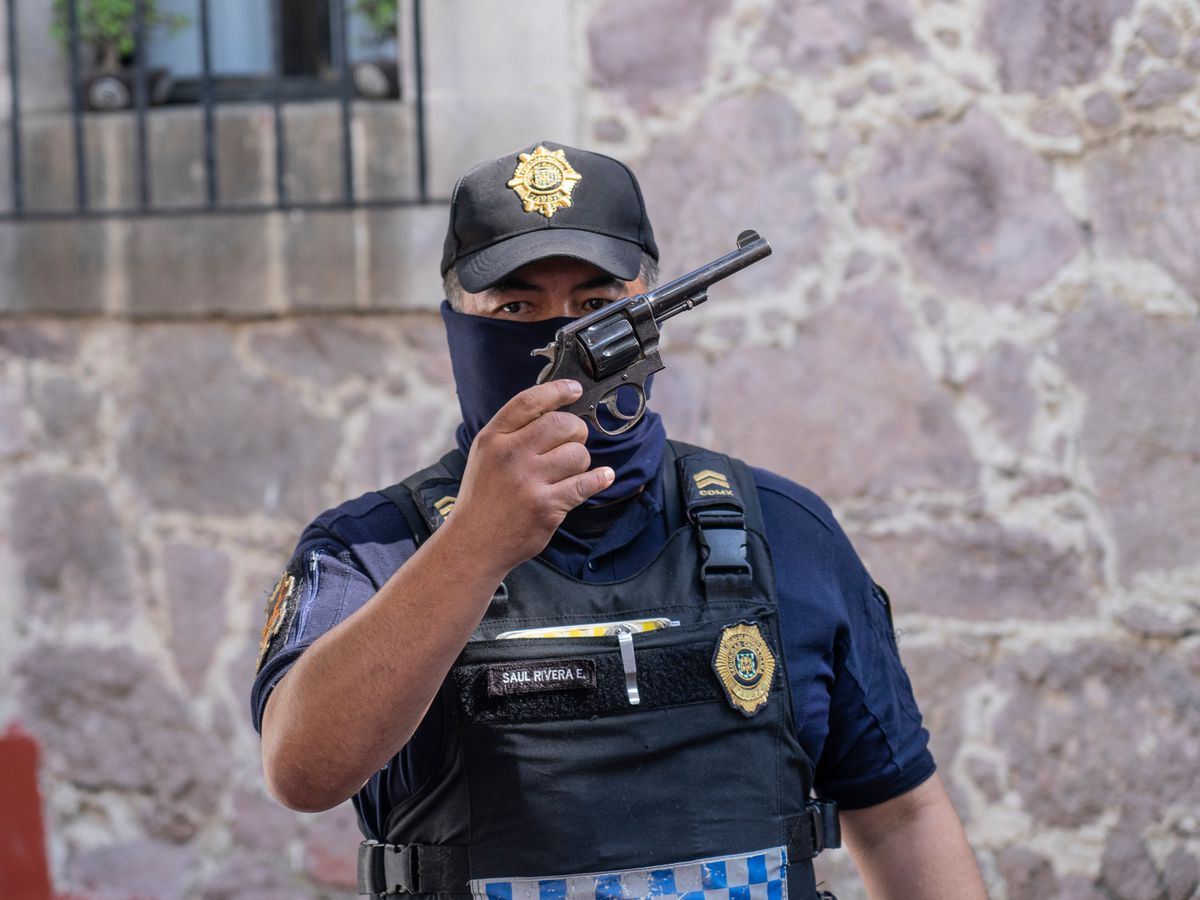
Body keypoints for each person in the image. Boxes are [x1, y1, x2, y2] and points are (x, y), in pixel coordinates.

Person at [252, 142, 987, 900]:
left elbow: (900, 815)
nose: (552, 330)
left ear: (648, 314)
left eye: (598, 307)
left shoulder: (786, 532)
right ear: (456, 325)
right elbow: (301, 772)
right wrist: (472, 546)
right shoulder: (372, 550)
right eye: (514, 307)